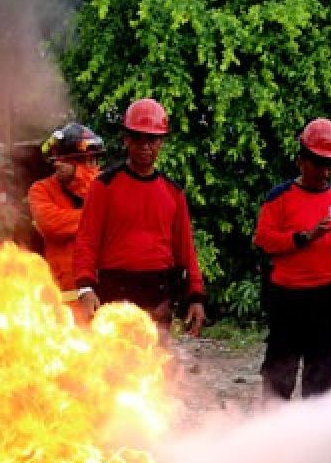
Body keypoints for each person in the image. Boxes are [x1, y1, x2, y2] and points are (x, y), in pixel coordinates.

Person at [73, 98, 206, 336]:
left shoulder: (173, 192)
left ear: (162, 142)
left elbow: (186, 250)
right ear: (126, 139)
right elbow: (86, 242)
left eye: (152, 139)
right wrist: (85, 288)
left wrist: (196, 296)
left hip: (159, 297)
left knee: (157, 368)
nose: (145, 145)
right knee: (112, 368)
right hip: (114, 293)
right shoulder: (103, 186)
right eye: (137, 137)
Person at [253, 118, 331, 400]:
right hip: (287, 298)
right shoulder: (279, 197)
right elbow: (264, 241)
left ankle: (315, 434)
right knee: (280, 369)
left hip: (327, 297)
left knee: (322, 371)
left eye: (330, 165)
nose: (325, 172)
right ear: (301, 160)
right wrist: (305, 237)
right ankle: (273, 431)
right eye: (318, 163)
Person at [28, 123, 104, 293]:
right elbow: (51, 224)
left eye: (63, 157)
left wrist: (79, 176)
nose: (56, 163)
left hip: (101, 291)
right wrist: (97, 217)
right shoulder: (41, 189)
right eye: (55, 157)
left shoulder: (104, 187)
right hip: (62, 295)